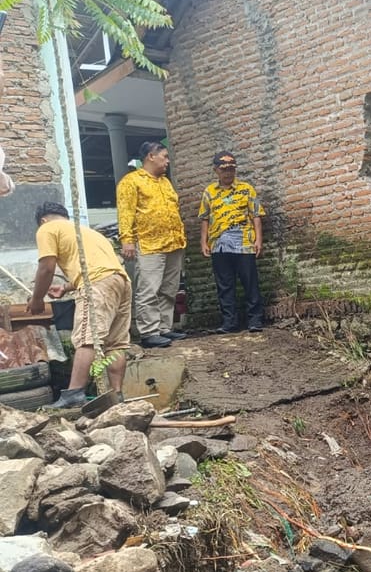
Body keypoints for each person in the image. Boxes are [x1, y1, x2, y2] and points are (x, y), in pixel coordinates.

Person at [29, 201, 132, 409]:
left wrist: (37, 299)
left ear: (43, 220)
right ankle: (116, 396)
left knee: (87, 338)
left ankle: (74, 394)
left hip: (96, 284)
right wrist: (65, 287)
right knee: (116, 343)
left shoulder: (47, 228)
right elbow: (97, 266)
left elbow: (46, 267)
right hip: (120, 282)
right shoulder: (87, 232)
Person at [116, 141, 186, 348]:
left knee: (169, 289)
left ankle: (164, 328)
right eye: (164, 156)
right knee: (149, 289)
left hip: (173, 242)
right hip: (149, 244)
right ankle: (149, 332)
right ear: (150, 156)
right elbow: (126, 212)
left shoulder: (165, 182)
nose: (167, 161)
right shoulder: (131, 181)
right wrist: (127, 240)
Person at [199, 151, 266, 333]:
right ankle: (229, 322)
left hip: (244, 243)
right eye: (224, 169)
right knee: (225, 285)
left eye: (231, 169)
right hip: (219, 245)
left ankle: (255, 320)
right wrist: (203, 242)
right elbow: (205, 218)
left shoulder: (246, 189)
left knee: (250, 282)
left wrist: (259, 240)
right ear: (216, 170)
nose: (228, 173)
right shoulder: (209, 192)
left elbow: (256, 215)